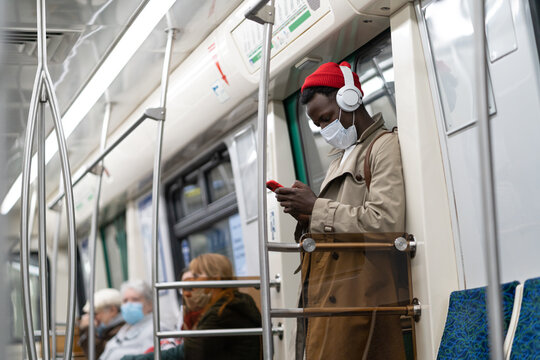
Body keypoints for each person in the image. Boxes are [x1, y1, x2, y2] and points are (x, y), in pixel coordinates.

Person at [275, 61, 406, 359]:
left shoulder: (383, 146)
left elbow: (386, 223)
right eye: (319, 124)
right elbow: (334, 218)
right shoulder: (338, 160)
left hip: (359, 287)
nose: (326, 129)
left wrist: (317, 207)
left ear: (350, 98)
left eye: (328, 117)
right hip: (332, 285)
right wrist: (307, 217)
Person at [122, 253, 261, 360]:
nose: (190, 284)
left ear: (215, 279)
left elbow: (188, 353)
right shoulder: (230, 304)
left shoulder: (224, 311)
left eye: (196, 275)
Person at [99, 280, 167, 360]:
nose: (129, 305)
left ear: (150, 304)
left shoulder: (156, 330)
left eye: (135, 299)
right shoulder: (126, 329)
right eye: (125, 301)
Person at [78, 288, 125, 358]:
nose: (92, 318)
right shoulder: (109, 329)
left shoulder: (121, 330)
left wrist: (88, 329)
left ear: (112, 310)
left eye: (94, 313)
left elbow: (97, 355)